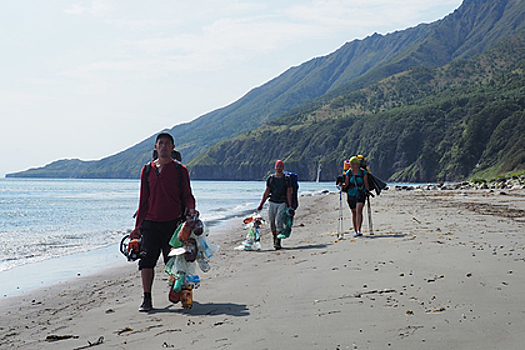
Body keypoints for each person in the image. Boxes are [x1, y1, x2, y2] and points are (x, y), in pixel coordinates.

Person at [130, 132, 197, 312]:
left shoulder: (180, 170)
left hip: (174, 224)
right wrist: (137, 228)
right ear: (156, 147)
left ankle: (182, 295)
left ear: (173, 147)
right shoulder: (147, 170)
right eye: (161, 143)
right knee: (146, 261)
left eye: (167, 144)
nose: (164, 146)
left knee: (178, 262)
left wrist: (191, 210)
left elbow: (187, 195)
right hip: (150, 223)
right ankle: (147, 299)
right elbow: (143, 200)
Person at [257, 160, 292, 250]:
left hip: (282, 202)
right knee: (272, 223)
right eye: (277, 166)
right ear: (275, 167)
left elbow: (289, 192)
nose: (279, 167)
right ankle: (275, 239)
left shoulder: (287, 178)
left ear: (283, 167)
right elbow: (267, 191)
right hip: (272, 202)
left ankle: (278, 242)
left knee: (278, 221)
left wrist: (290, 205)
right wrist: (261, 204)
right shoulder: (271, 178)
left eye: (280, 166)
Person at [344, 156, 369, 237]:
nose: (351, 165)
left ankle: (359, 230)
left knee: (359, 211)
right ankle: (355, 230)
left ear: (357, 164)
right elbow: (346, 184)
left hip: (361, 193)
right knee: (354, 212)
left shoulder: (363, 172)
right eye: (351, 164)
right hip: (351, 193)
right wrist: (341, 184)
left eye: (353, 164)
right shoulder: (348, 173)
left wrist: (367, 191)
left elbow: (366, 184)